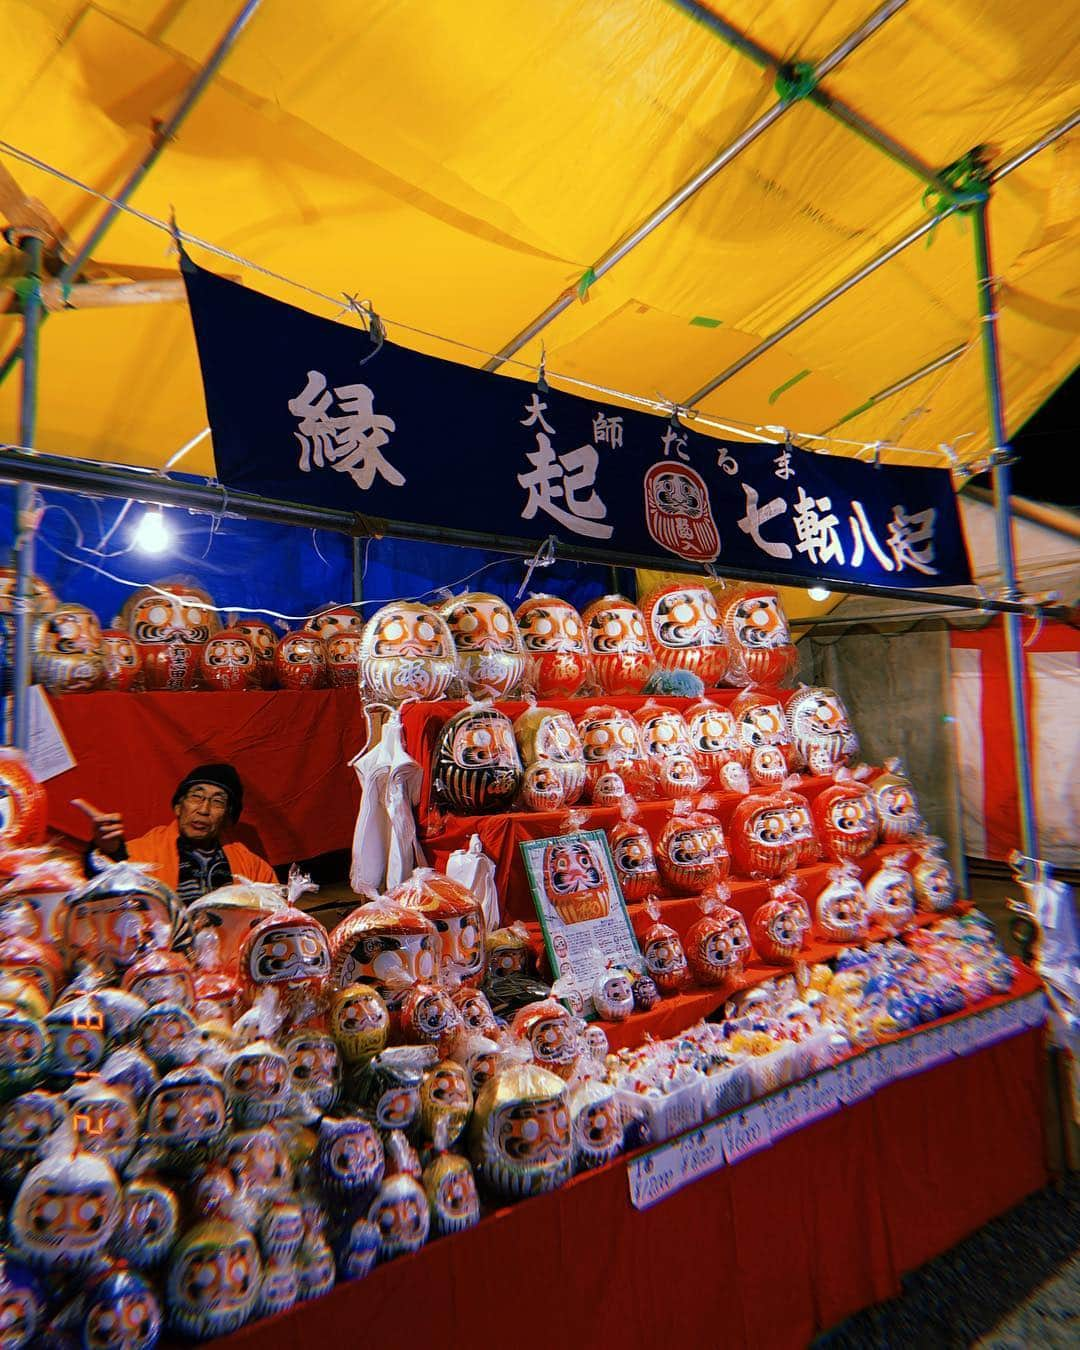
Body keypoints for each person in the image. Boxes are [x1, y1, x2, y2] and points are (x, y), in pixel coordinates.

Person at [77, 762, 276, 903]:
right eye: (196, 797)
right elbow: (103, 881)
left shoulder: (251, 866)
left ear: (227, 819)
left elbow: (274, 912)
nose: (204, 809)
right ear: (179, 807)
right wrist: (107, 849)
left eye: (217, 802)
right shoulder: (149, 850)